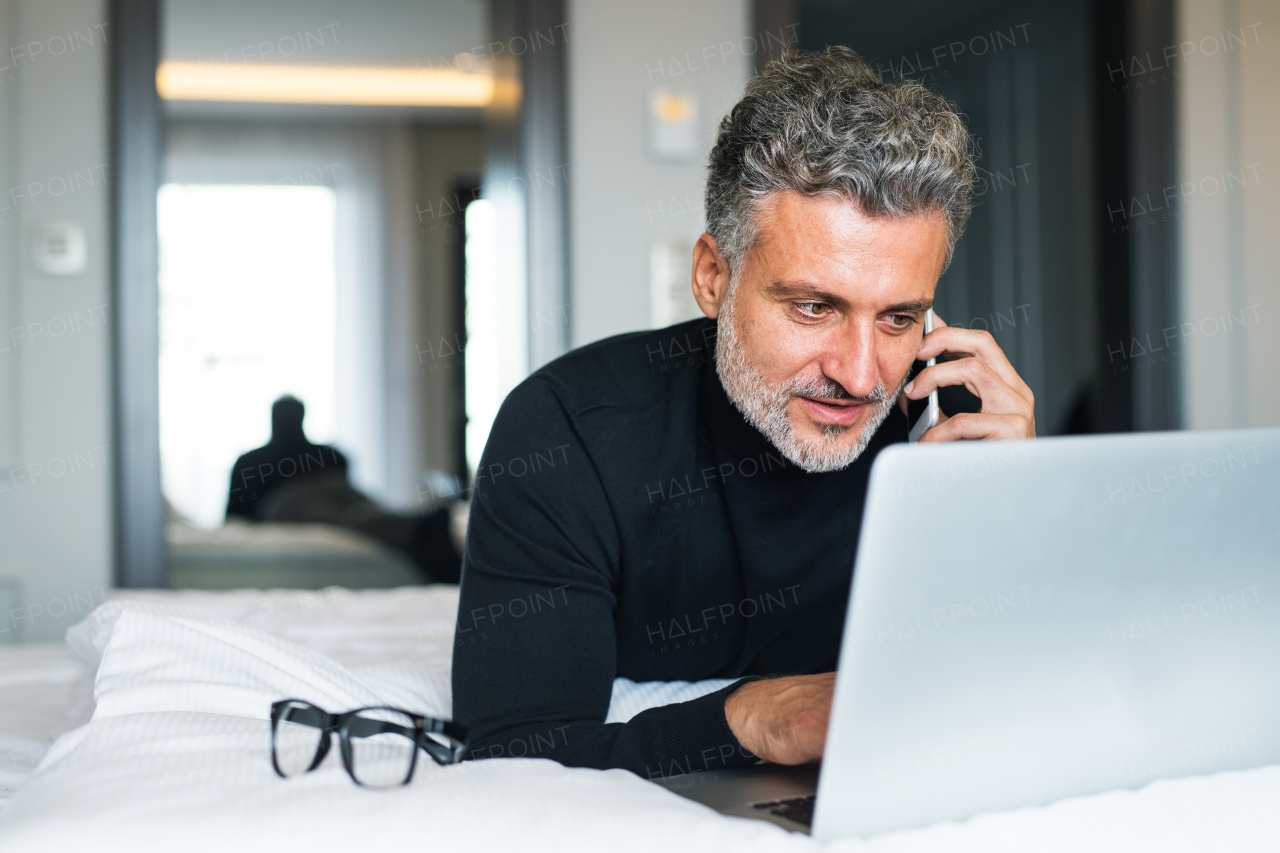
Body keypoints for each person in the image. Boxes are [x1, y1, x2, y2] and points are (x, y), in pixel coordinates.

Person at [451, 48, 1035, 778]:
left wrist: (1026, 507)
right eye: (815, 307)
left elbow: (1028, 696)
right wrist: (753, 718)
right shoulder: (565, 432)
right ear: (712, 276)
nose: (860, 375)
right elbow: (511, 753)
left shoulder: (950, 429)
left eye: (898, 318)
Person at [227, 395, 462, 583]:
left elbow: (234, 512)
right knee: (353, 517)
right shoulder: (328, 455)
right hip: (289, 502)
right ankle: (417, 526)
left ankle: (419, 526)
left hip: (327, 494)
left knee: (358, 513)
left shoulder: (251, 461)